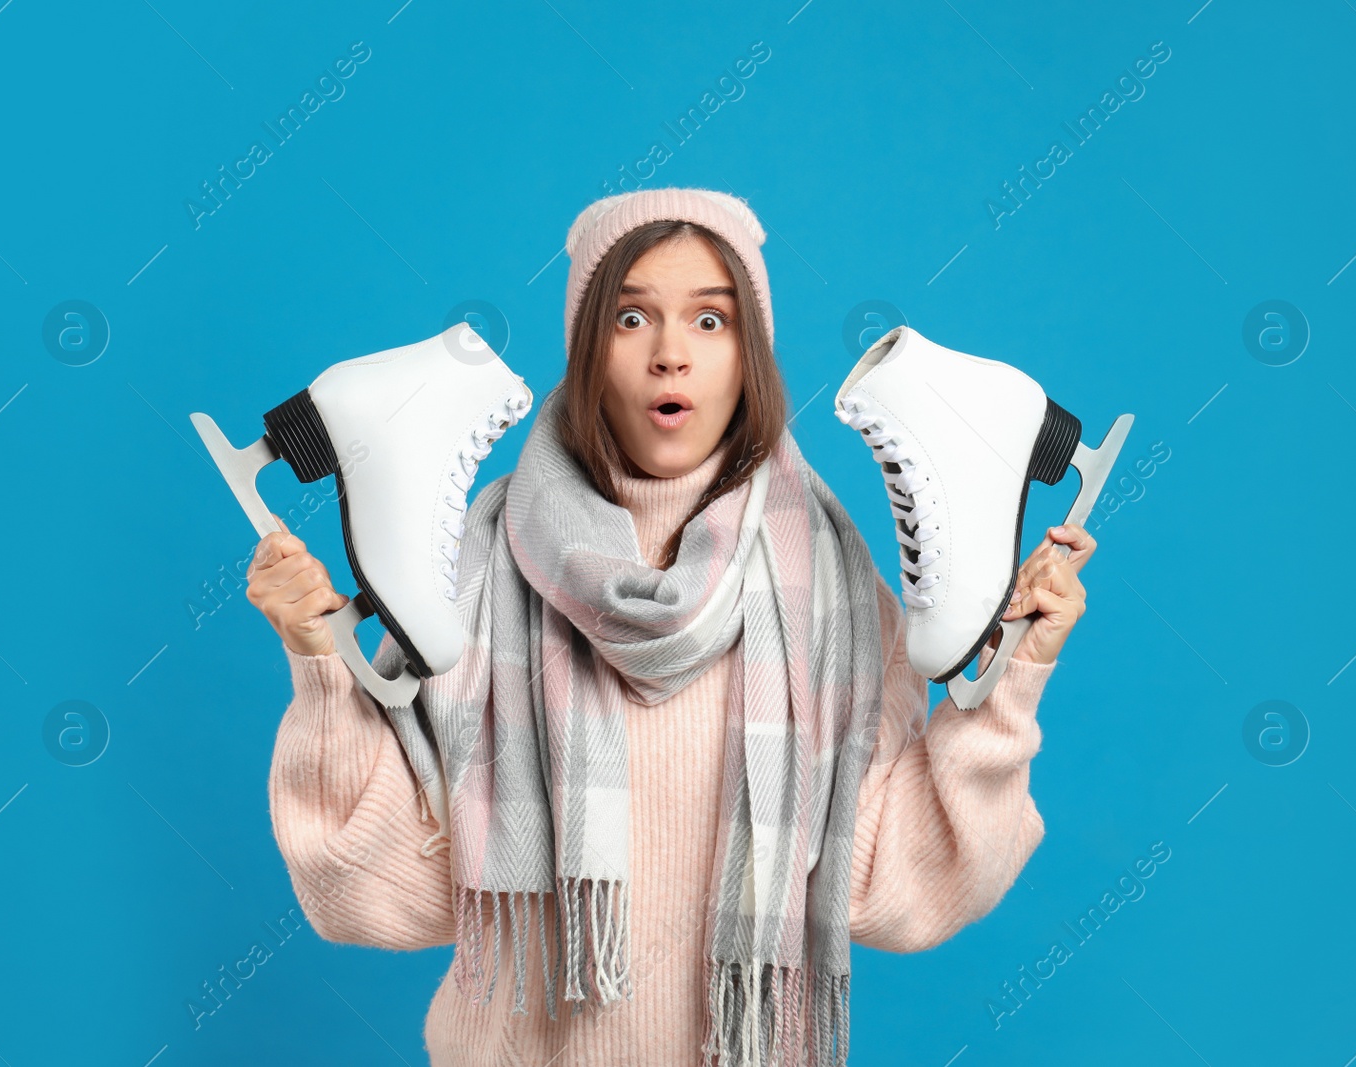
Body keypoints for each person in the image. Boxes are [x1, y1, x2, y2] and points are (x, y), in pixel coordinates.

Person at [250, 187, 1096, 1066]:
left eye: (709, 321)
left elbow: (902, 887)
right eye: (629, 317)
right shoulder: (470, 569)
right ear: (586, 351)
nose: (669, 357)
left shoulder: (830, 586)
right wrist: (321, 661)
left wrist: (1011, 678)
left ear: (750, 355)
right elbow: (372, 893)